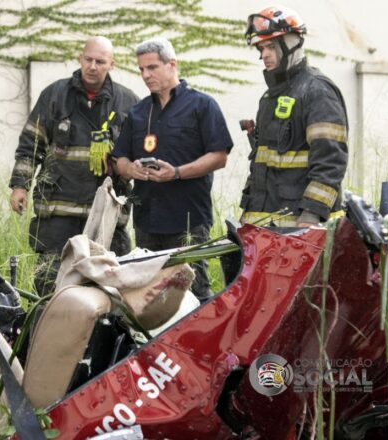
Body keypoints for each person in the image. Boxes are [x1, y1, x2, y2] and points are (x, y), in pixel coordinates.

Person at [8, 36, 139, 296]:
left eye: (100, 61)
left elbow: (138, 159)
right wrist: (20, 186)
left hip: (105, 217)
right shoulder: (55, 95)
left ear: (111, 64)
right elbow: (30, 145)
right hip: (58, 214)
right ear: (80, 59)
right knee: (49, 286)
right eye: (88, 59)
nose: (92, 66)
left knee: (110, 291)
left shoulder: (128, 103)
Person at [112, 37, 233, 301]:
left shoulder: (202, 105)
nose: (146, 75)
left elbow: (219, 156)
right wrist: (130, 169)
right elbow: (118, 159)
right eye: (141, 69)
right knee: (150, 298)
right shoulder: (138, 112)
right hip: (147, 222)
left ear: (172, 64)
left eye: (152, 67)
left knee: (194, 296)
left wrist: (176, 172)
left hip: (188, 221)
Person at [240, 6, 349, 228]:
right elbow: (262, 165)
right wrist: (248, 214)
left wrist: (312, 213)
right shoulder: (270, 97)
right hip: (266, 227)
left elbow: (331, 161)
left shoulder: (317, 91)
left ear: (292, 43)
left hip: (302, 229)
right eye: (261, 48)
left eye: (270, 46)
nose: (264, 55)